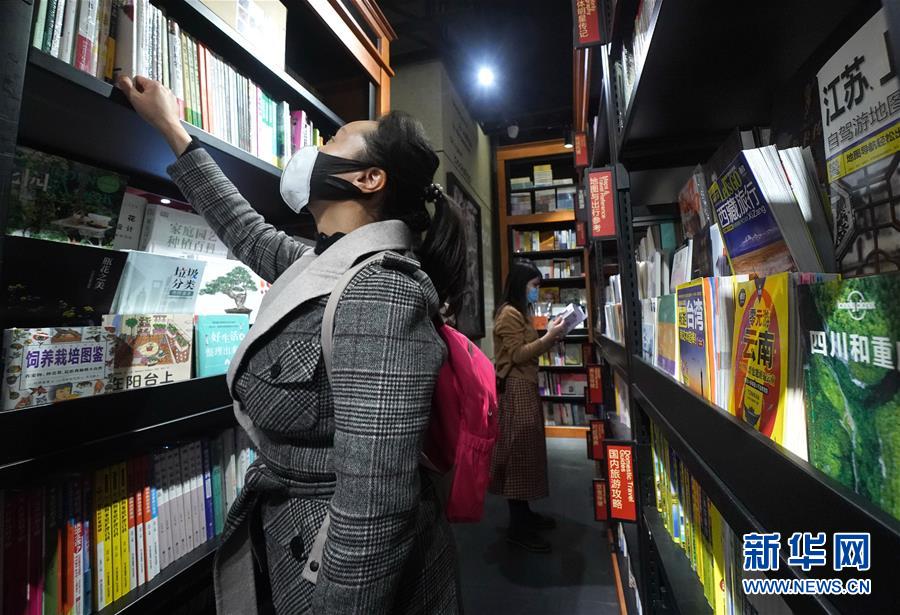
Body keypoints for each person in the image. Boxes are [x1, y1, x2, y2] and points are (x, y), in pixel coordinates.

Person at [117, 74, 466, 614]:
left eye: (334, 140)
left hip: (334, 571)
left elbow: (374, 507)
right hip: (293, 544)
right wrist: (171, 127)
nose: (315, 148)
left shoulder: (382, 290)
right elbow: (247, 232)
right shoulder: (324, 264)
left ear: (369, 178)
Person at [489, 259, 566, 552]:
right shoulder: (509, 314)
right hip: (516, 388)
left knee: (526, 452)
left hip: (525, 385)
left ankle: (525, 515)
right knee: (519, 453)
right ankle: (518, 527)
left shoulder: (520, 312)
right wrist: (550, 337)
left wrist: (551, 335)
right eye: (534, 285)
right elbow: (519, 355)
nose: (536, 291)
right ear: (522, 284)